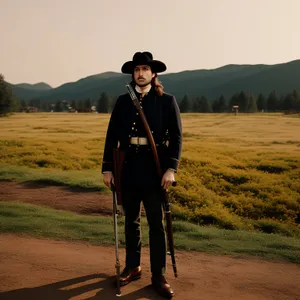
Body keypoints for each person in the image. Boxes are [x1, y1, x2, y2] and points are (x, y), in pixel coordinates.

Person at [102, 51, 182, 299]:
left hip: (154, 169)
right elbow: (112, 134)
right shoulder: (122, 101)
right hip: (128, 167)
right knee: (131, 221)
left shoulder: (167, 101)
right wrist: (107, 168)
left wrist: (171, 169)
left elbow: (177, 137)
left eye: (145, 69)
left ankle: (158, 275)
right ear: (133, 74)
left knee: (157, 225)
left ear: (153, 73)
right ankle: (133, 266)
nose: (140, 73)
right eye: (136, 70)